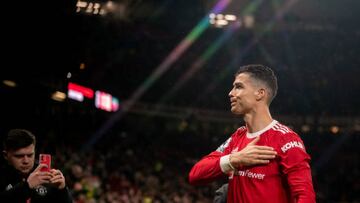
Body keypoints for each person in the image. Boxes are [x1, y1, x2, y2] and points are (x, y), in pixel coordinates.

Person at [189, 64, 315, 203]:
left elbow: (305, 195)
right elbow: (195, 174)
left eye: (239, 87)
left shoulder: (286, 139)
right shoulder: (237, 137)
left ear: (260, 93)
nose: (231, 93)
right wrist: (234, 159)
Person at [0, 128, 73, 203]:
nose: (26, 161)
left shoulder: (47, 176)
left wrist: (63, 191)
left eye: (30, 155)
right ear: (6, 155)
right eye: (19, 156)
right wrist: (27, 186)